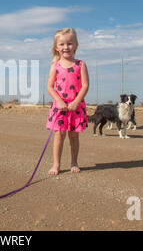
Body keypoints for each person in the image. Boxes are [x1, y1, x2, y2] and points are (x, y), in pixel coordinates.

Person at [45, 28, 89, 175]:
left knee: (74, 136)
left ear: (76, 45)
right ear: (56, 47)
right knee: (59, 135)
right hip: (60, 107)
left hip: (76, 106)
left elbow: (85, 85)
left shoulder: (80, 64)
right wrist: (58, 101)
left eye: (69, 43)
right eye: (62, 44)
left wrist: (76, 101)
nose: (66, 47)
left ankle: (74, 162)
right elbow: (50, 87)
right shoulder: (55, 66)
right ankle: (56, 164)